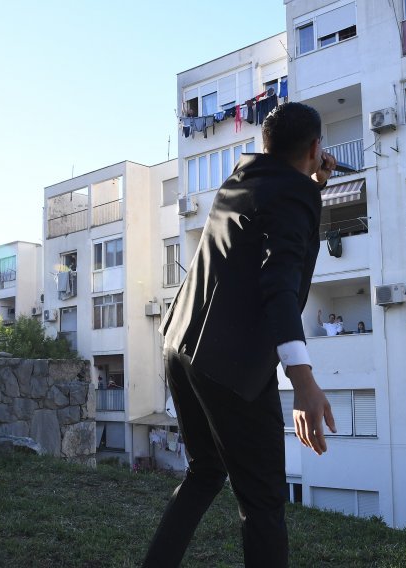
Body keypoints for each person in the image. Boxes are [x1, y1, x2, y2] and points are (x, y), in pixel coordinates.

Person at [142, 102, 337, 568]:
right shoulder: (292, 197)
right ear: (314, 148)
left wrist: (313, 183)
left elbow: (270, 216)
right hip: (229, 364)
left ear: (264, 145)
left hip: (180, 344)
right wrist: (304, 381)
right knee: (264, 501)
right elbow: (279, 286)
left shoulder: (241, 176)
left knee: (205, 470)